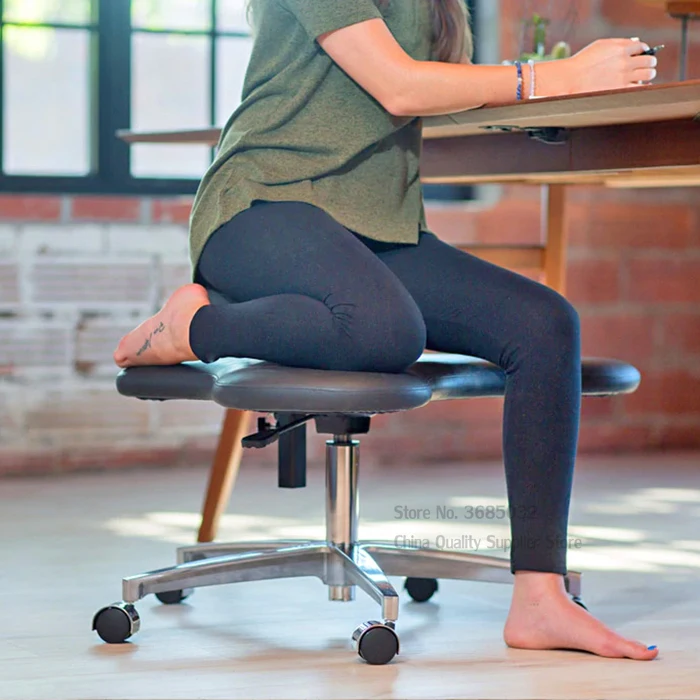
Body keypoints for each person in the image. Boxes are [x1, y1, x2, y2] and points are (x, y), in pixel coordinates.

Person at [115, 0, 660, 660]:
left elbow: (438, 88)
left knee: (545, 324)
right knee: (383, 330)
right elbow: (400, 85)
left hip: (380, 229)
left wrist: (556, 91)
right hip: (263, 208)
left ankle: (540, 600)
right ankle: (196, 328)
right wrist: (554, 77)